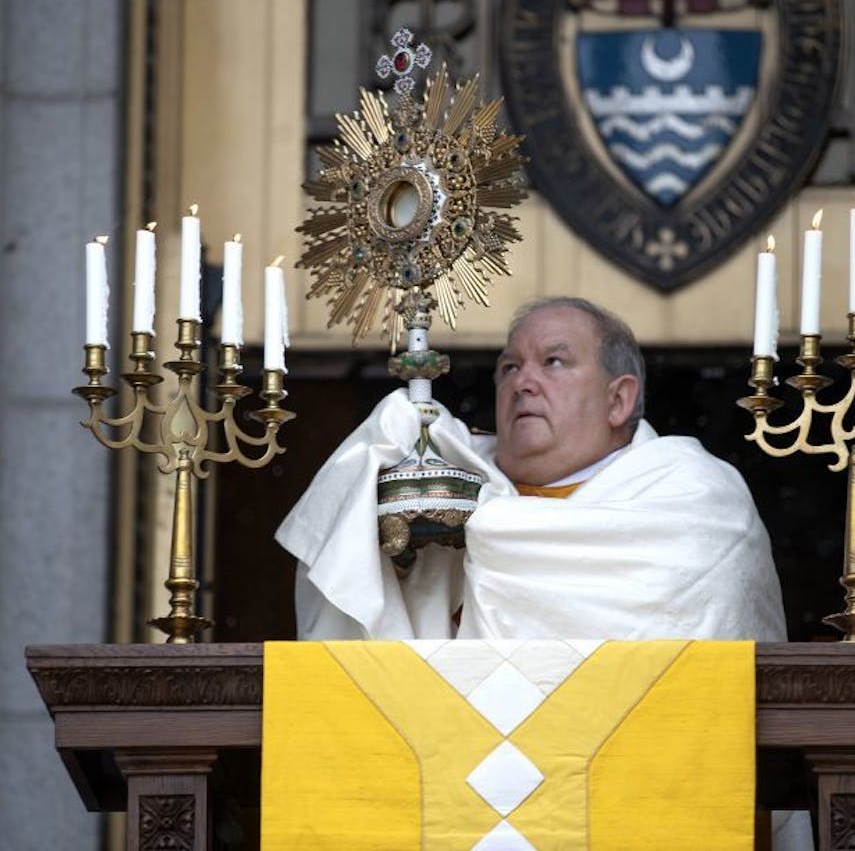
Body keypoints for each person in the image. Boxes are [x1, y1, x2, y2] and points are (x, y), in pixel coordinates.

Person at [276, 297, 809, 849]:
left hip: (641, 808)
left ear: (619, 399)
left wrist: (484, 528)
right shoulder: (443, 488)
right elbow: (361, 629)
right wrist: (382, 516)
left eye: (553, 362)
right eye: (510, 367)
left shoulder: (694, 500)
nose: (522, 382)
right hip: (456, 808)